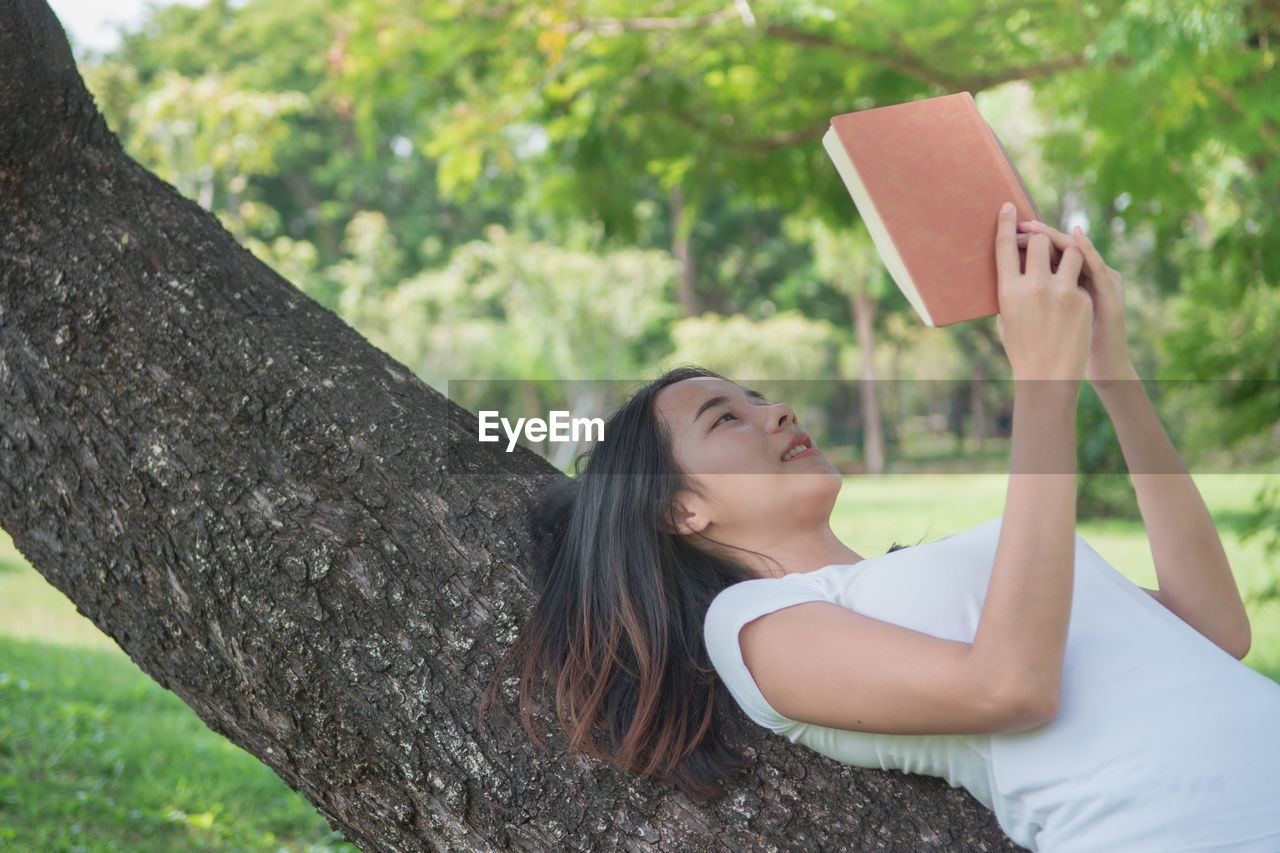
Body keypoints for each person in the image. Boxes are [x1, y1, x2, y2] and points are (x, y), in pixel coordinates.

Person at [484, 204, 1280, 851]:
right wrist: (1041, 382)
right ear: (681, 508)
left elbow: (1213, 624)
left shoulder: (934, 577)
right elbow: (1010, 686)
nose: (778, 411)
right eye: (727, 416)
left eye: (760, 397)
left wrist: (1113, 373)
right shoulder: (752, 623)